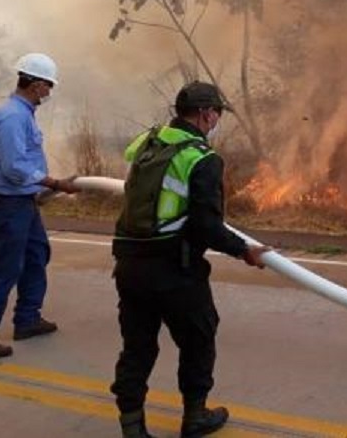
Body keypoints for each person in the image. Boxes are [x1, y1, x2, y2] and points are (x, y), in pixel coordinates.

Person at [110, 81, 271, 438]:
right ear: (204, 113)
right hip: (173, 270)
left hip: (129, 265)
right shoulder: (202, 158)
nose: (216, 120)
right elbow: (207, 227)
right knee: (199, 338)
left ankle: (132, 427)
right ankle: (195, 417)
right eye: (216, 113)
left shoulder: (148, 142)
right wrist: (245, 250)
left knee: (137, 347)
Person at [0, 52, 79, 359]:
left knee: (37, 254)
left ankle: (27, 319)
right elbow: (15, 167)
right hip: (7, 203)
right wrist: (54, 183)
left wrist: (37, 191)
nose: (49, 92)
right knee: (5, 268)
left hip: (21, 202)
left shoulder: (22, 114)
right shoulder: (12, 117)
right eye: (48, 86)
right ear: (37, 84)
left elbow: (21, 166)